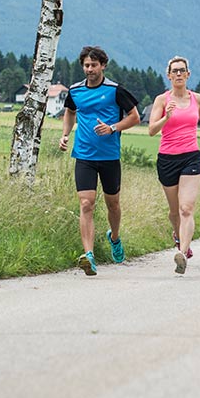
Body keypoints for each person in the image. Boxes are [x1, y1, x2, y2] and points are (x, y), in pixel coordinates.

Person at [59, 45, 141, 276]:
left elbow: (135, 117)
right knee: (86, 204)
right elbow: (70, 111)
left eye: (94, 65)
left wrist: (113, 127)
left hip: (109, 157)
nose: (90, 69)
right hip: (84, 155)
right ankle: (89, 256)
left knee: (113, 204)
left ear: (103, 65)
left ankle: (114, 237)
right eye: (86, 65)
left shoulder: (115, 90)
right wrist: (65, 134)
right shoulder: (75, 90)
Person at [147, 56, 200, 274]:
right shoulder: (161, 100)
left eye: (182, 71)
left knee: (186, 208)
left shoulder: (197, 99)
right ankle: (178, 236)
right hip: (167, 159)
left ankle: (183, 253)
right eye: (174, 71)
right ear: (168, 75)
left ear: (188, 74)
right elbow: (151, 131)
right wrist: (166, 117)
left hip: (191, 157)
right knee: (174, 211)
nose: (178, 74)